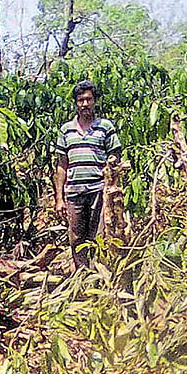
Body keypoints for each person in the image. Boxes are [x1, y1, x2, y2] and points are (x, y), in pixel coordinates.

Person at [54, 80, 122, 270]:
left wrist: (110, 180)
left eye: (89, 99)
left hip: (98, 190)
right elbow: (61, 164)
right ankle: (81, 276)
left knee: (97, 234)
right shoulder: (66, 130)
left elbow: (114, 155)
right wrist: (59, 198)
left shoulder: (105, 127)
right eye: (81, 100)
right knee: (76, 236)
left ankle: (97, 274)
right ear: (76, 103)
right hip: (74, 192)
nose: (85, 104)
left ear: (94, 101)